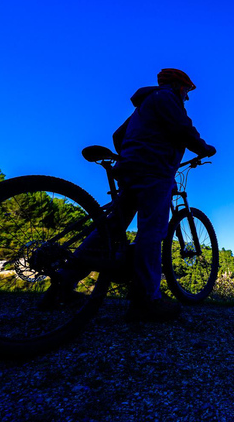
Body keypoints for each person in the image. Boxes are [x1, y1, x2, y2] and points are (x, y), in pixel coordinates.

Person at [40, 68, 216, 322]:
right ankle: (147, 300)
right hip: (153, 170)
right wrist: (204, 148)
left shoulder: (143, 106)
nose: (187, 97)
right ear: (180, 86)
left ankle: (62, 286)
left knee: (108, 230)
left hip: (132, 169)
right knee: (152, 232)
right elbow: (183, 128)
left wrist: (133, 154)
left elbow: (117, 136)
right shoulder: (167, 97)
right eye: (187, 91)